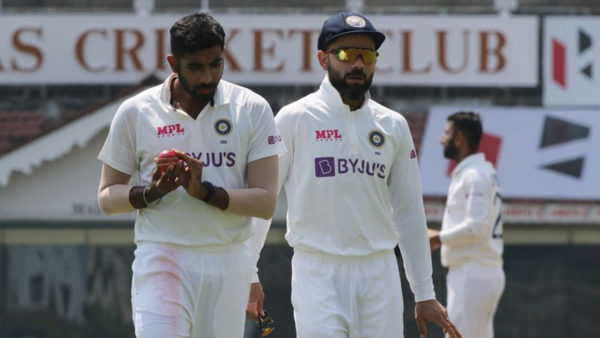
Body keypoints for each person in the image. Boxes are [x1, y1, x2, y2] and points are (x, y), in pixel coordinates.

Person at [248, 11, 462, 338]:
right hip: (316, 271)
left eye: (368, 55)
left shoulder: (392, 125)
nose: (358, 64)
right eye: (347, 54)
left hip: (379, 274)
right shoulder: (294, 118)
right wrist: (249, 271)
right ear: (324, 59)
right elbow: (264, 202)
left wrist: (424, 293)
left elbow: (408, 212)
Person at [97, 13, 286, 338]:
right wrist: (151, 192)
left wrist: (205, 192)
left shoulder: (252, 108)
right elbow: (106, 197)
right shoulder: (136, 111)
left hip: (228, 260)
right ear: (174, 62)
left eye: (216, 64)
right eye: (195, 67)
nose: (207, 77)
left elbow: (266, 202)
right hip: (162, 257)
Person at [428, 111, 505, 338]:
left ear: (459, 138)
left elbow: (477, 227)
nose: (442, 139)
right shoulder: (479, 171)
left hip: (473, 274)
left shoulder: (474, 175)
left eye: (446, 133)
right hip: (476, 273)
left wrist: (437, 238)